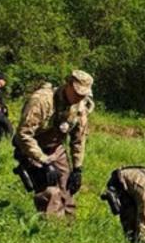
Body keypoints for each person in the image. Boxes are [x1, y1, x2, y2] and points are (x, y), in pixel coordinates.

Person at [12, 70, 94, 218]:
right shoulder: (42, 101)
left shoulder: (80, 107)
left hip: (56, 148)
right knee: (51, 192)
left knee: (67, 189)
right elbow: (24, 134)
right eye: (77, 93)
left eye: (83, 95)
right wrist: (44, 161)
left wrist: (77, 168)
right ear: (68, 85)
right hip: (32, 149)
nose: (79, 98)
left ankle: (69, 227)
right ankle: (52, 228)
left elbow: (78, 140)